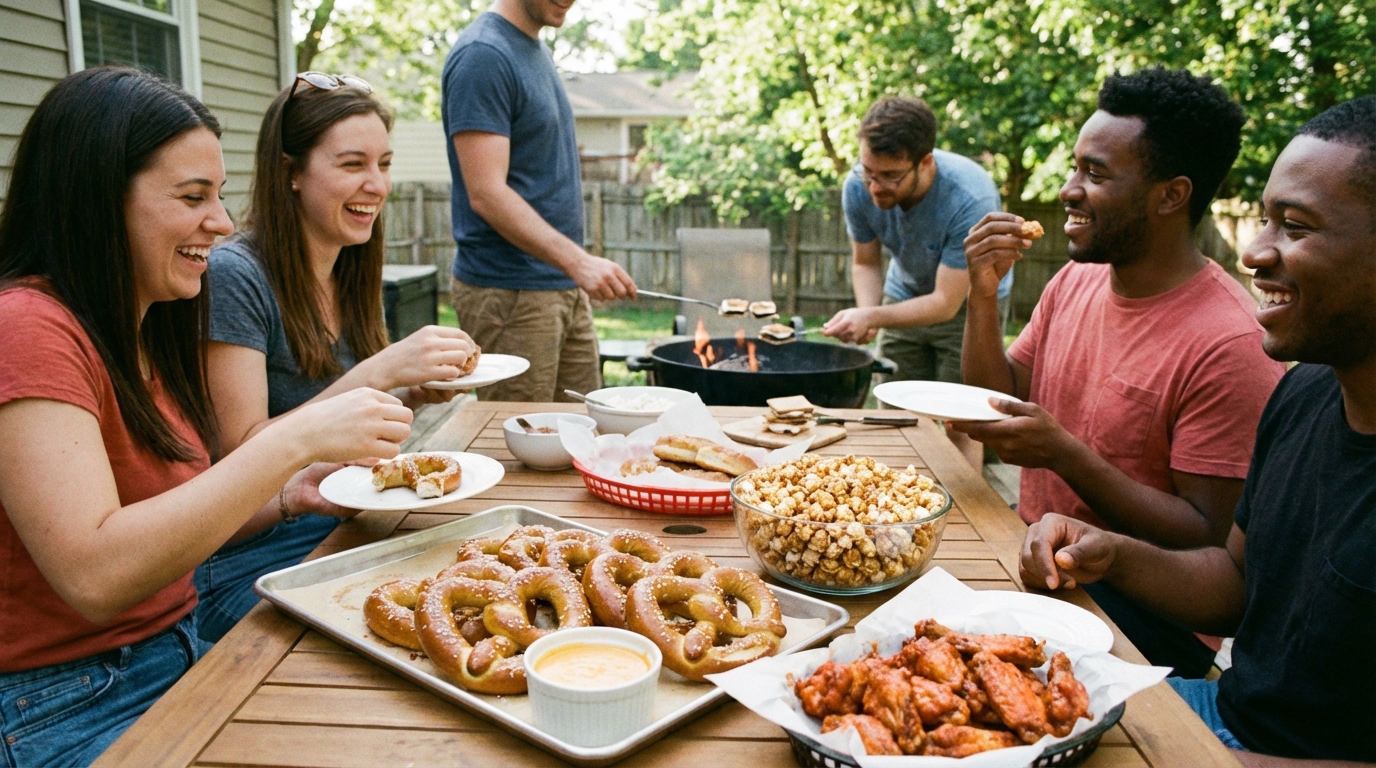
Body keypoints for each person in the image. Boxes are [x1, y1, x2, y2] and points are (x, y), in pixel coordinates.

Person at [0, 67, 411, 767]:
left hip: (179, 646)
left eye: (218, 196)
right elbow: (94, 576)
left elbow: (181, 518)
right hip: (66, 699)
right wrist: (292, 443)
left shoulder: (142, 324)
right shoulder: (27, 326)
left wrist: (284, 496)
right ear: (99, 201)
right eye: (193, 198)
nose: (221, 223)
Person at [1021, 96, 1376, 766]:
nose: (1253, 253)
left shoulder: (1233, 347)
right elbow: (1234, 586)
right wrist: (1112, 553)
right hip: (1222, 713)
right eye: (1265, 220)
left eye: (1295, 228)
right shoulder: (1302, 394)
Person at [953, 67, 1284, 678]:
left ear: (1170, 195)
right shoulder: (1075, 280)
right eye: (1075, 167)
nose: (1069, 190)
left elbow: (1208, 539)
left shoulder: (1233, 342)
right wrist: (981, 295)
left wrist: (1067, 454)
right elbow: (994, 404)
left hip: (1147, 625)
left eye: (1096, 173)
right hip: (1038, 562)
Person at [200, 74, 477, 643]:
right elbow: (239, 453)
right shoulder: (236, 276)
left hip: (342, 528)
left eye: (384, 163)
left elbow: (338, 425)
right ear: (291, 172)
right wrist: (378, 370)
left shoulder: (346, 267)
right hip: (247, 560)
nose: (376, 184)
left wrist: (411, 392)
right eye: (353, 164)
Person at [440, 0, 637, 404]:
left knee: (584, 434)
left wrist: (574, 271)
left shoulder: (534, 49)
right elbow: (486, 193)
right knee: (518, 445)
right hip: (511, 293)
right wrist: (579, 262)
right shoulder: (484, 55)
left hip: (559, 287)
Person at [820, 96, 1010, 468]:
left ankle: (964, 515)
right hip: (903, 293)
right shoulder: (858, 186)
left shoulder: (969, 198)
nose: (875, 187)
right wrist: (867, 314)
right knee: (892, 413)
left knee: (962, 421)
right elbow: (865, 263)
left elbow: (944, 303)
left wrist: (873, 317)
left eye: (890, 176)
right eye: (868, 171)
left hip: (969, 304)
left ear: (926, 162)